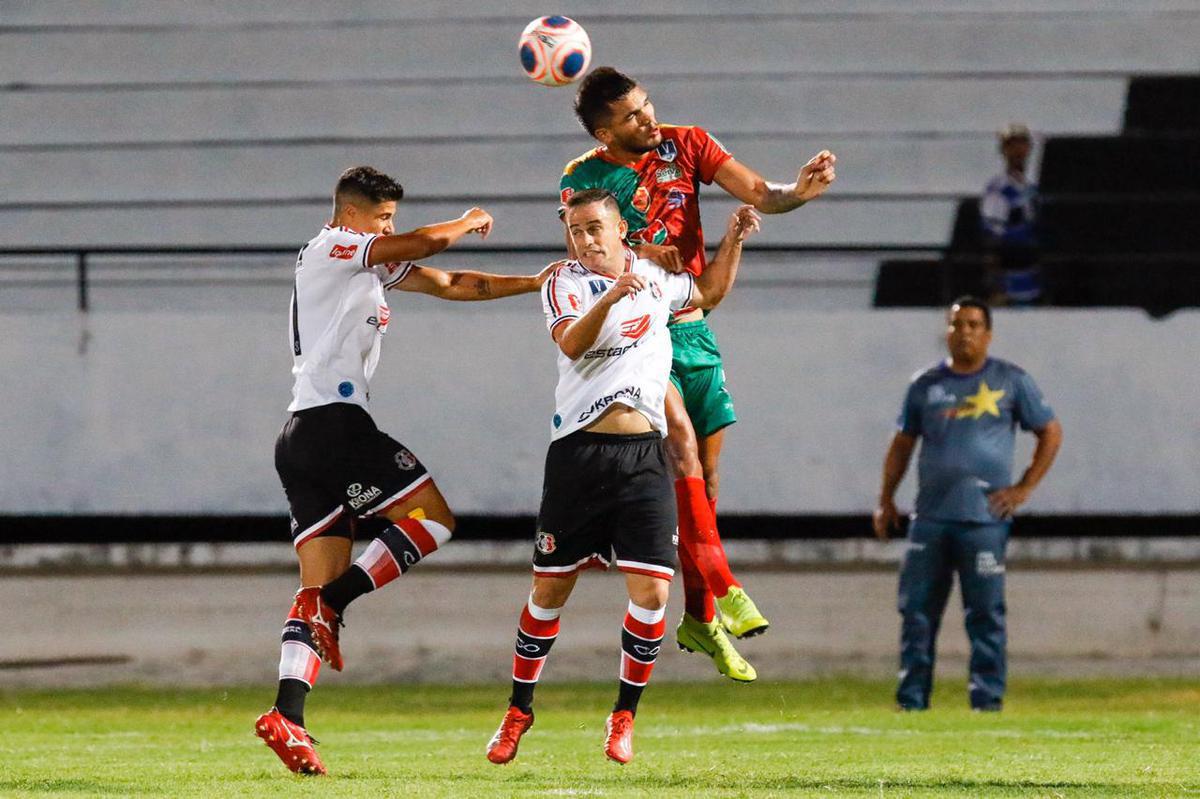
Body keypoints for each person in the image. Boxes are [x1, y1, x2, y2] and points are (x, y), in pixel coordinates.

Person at [254, 165, 553, 776]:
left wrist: (534, 283)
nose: (388, 228)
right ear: (351, 215)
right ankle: (332, 605)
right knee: (433, 519)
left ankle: (288, 715)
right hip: (335, 426)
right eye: (382, 217)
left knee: (313, 591)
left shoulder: (364, 262)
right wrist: (468, 221)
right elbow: (425, 245)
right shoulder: (332, 247)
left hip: (303, 436)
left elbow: (449, 281)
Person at [558, 66, 837, 682]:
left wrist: (801, 190)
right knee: (680, 441)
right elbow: (589, 252)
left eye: (648, 105)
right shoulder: (582, 178)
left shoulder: (687, 143)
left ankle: (700, 619)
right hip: (641, 333)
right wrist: (636, 254)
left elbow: (762, 191)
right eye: (632, 116)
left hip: (695, 323)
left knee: (707, 484)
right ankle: (725, 585)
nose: (648, 118)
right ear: (606, 131)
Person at [486, 189, 761, 766]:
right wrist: (611, 295)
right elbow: (571, 341)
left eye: (594, 229)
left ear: (618, 231)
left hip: (643, 457)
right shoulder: (562, 281)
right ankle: (518, 709)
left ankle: (623, 717)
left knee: (654, 591)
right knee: (549, 590)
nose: (585, 240)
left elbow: (707, 291)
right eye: (576, 231)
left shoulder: (655, 278)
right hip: (578, 455)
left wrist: (732, 240)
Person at [872, 296, 1062, 711]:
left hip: (984, 520)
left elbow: (1050, 431)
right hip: (931, 519)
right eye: (958, 324)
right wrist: (886, 499)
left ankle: (986, 702)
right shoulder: (924, 385)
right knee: (917, 614)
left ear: (988, 334)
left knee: (985, 615)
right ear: (947, 331)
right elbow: (902, 444)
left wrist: (1023, 488)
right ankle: (912, 702)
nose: (966, 332)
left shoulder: (1010, 380)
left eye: (975, 325)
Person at [980, 123, 1041, 305]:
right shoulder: (999, 189)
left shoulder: (1030, 188)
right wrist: (996, 283)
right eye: (1012, 146)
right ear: (1004, 150)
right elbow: (991, 234)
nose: (1018, 151)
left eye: (1022, 145)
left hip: (1031, 272)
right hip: (1009, 274)